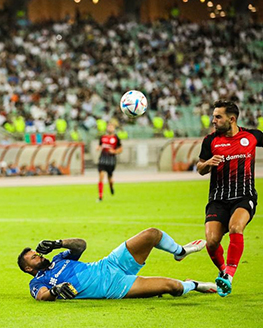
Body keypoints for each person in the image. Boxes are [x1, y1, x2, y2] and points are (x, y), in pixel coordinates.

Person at [17, 228, 214, 301]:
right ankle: (194, 284)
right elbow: (42, 296)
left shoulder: (58, 259)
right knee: (174, 287)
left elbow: (81, 245)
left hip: (110, 264)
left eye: (37, 253)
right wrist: (55, 290)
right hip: (114, 287)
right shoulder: (38, 281)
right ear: (28, 268)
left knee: (151, 234)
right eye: (34, 258)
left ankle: (180, 252)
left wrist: (58, 243)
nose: (39, 256)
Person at [196, 100, 263, 297]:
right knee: (211, 241)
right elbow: (200, 169)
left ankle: (229, 276)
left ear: (231, 119)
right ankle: (223, 269)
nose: (213, 120)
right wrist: (208, 163)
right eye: (213, 116)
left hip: (244, 196)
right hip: (218, 199)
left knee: (236, 227)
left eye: (218, 117)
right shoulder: (210, 141)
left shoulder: (251, 136)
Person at [97, 122, 122, 201]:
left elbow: (120, 149)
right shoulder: (103, 137)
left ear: (114, 129)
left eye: (111, 127)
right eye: (109, 127)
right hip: (103, 158)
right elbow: (100, 145)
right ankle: (100, 196)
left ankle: (111, 186)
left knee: (110, 178)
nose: (110, 128)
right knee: (101, 176)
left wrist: (114, 151)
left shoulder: (116, 138)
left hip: (111, 160)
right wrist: (98, 147)